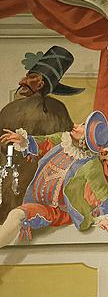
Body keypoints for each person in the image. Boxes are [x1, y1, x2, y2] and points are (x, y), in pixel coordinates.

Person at [0, 111, 108, 247]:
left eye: (82, 126)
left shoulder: (91, 164)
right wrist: (24, 141)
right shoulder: (63, 140)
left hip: (58, 211)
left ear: (86, 139)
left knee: (16, 215)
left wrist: (105, 217)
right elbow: (45, 141)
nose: (75, 125)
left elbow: (102, 190)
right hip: (36, 201)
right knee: (14, 213)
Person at [0, 45, 81, 223]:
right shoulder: (11, 110)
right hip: (24, 175)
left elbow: (65, 143)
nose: (23, 82)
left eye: (31, 79)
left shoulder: (57, 110)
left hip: (43, 177)